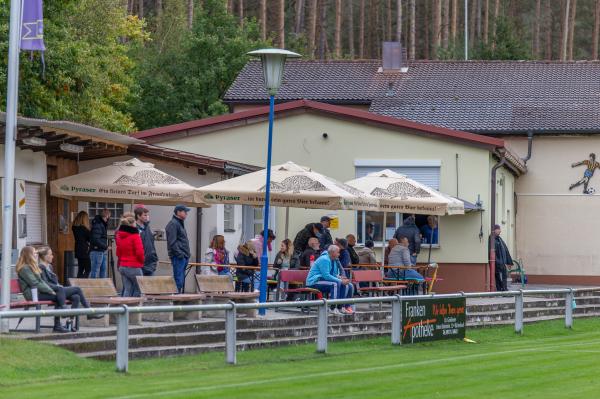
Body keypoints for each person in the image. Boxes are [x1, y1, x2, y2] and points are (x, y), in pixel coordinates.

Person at [37, 246, 103, 329]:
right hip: (48, 292)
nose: (52, 256)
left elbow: (53, 281)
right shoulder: (40, 267)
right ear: (45, 256)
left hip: (57, 290)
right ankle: (89, 312)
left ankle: (70, 322)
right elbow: (45, 284)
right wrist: (58, 287)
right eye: (50, 254)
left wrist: (58, 286)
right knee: (77, 289)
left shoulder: (49, 267)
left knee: (76, 297)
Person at [16, 246, 69, 333]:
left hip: (37, 293)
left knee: (59, 293)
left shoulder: (32, 266)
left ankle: (59, 322)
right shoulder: (25, 268)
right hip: (32, 295)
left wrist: (49, 290)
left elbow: (41, 281)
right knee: (59, 293)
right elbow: (35, 283)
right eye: (34, 253)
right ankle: (60, 321)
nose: (37, 255)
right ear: (29, 255)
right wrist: (50, 290)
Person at [306, 245, 354, 314]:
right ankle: (332, 308)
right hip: (314, 282)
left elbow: (332, 274)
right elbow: (326, 276)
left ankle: (340, 307)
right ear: (333, 252)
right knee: (335, 284)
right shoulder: (324, 259)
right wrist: (340, 281)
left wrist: (340, 278)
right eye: (338, 252)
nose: (339, 254)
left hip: (322, 280)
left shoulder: (333, 260)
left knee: (346, 285)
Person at [116, 214, 145, 297]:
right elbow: (140, 252)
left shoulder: (119, 236)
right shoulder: (135, 236)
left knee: (127, 289)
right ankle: (135, 308)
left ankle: (125, 308)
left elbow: (118, 253)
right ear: (132, 225)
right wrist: (142, 261)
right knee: (139, 289)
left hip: (122, 266)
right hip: (134, 266)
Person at [166, 204, 191, 293]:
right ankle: (176, 301)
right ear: (178, 212)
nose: (186, 214)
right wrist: (180, 254)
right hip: (179, 257)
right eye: (185, 212)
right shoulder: (173, 223)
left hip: (183, 256)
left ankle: (178, 299)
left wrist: (185, 255)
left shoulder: (179, 223)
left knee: (180, 280)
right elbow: (172, 242)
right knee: (178, 280)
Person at [134, 206, 158, 277]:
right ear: (138, 216)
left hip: (150, 262)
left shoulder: (147, 227)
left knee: (150, 286)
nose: (147, 217)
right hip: (140, 263)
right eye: (145, 215)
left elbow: (151, 244)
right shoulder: (134, 228)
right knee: (139, 286)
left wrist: (155, 258)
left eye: (147, 215)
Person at [89, 208, 111, 278]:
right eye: (109, 216)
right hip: (97, 251)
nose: (109, 218)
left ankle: (102, 287)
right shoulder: (98, 224)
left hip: (101, 251)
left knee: (103, 270)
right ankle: (93, 288)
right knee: (95, 271)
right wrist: (106, 246)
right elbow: (95, 239)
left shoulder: (101, 224)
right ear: (107, 216)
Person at [493, 224, 514, 292]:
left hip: (502, 263)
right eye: (498, 229)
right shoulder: (492, 239)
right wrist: (497, 261)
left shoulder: (499, 239)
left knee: (503, 277)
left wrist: (509, 262)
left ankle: (504, 290)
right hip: (497, 263)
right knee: (499, 278)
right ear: (494, 230)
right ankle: (502, 291)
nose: (500, 231)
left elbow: (505, 250)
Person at [72, 211, 91, 278]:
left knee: (81, 269)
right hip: (84, 250)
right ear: (84, 219)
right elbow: (90, 238)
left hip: (77, 248)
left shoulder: (74, 227)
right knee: (88, 269)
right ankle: (82, 283)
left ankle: (78, 284)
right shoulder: (84, 229)